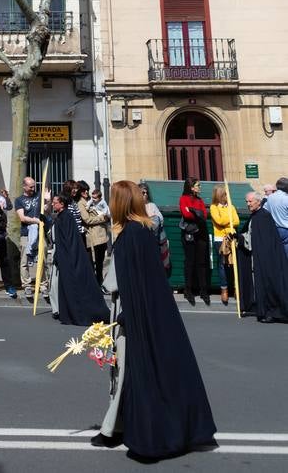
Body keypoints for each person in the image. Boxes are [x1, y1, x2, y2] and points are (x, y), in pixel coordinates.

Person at [92, 180, 216, 457]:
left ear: (120, 203)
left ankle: (131, 431)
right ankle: (114, 428)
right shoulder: (141, 230)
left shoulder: (131, 233)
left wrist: (126, 314)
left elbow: (125, 281)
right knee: (128, 371)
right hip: (139, 309)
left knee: (128, 371)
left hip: (132, 311)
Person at [51, 194, 109, 326]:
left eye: (55, 202)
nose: (53, 204)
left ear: (62, 204)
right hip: (64, 257)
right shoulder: (62, 216)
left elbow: (69, 240)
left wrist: (64, 257)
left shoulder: (66, 217)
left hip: (68, 258)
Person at [238, 191, 288, 323]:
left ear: (258, 202)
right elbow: (251, 236)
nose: (248, 204)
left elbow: (262, 240)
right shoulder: (255, 216)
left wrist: (241, 238)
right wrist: (239, 237)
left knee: (270, 283)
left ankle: (273, 312)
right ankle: (266, 311)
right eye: (247, 202)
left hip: (268, 259)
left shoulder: (263, 217)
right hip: (261, 257)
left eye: (250, 201)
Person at [15, 177, 51, 299]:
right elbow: (22, 217)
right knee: (25, 261)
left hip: (41, 233)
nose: (33, 189)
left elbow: (46, 212)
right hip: (26, 234)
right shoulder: (19, 200)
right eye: (30, 187)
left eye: (34, 186)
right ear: (24, 186)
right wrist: (35, 221)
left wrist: (47, 201)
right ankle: (27, 285)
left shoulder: (39, 196)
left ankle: (43, 285)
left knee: (43, 259)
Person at [179, 177, 210, 306]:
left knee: (201, 262)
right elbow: (186, 215)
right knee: (190, 262)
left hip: (201, 232)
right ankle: (188, 290)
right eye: (198, 185)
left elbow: (204, 215)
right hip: (189, 233)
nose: (200, 187)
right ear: (191, 187)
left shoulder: (200, 200)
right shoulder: (183, 199)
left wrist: (193, 211)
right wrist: (196, 213)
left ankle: (203, 290)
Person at [209, 186, 240, 305]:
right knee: (222, 265)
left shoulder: (231, 206)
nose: (227, 197)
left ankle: (236, 288)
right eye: (225, 195)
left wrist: (227, 219)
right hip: (220, 240)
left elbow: (236, 221)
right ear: (219, 196)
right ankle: (224, 289)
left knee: (234, 264)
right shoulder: (213, 207)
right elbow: (219, 221)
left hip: (232, 238)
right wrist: (230, 217)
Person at [140, 182, 171, 276]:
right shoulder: (135, 207)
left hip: (154, 240)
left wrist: (148, 221)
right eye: (143, 193)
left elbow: (160, 219)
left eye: (146, 193)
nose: (145, 195)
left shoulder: (151, 205)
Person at [264, 177, 288, 258]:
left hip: (274, 229)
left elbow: (264, 210)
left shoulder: (270, 197)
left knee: (277, 254)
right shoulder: (286, 198)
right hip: (286, 229)